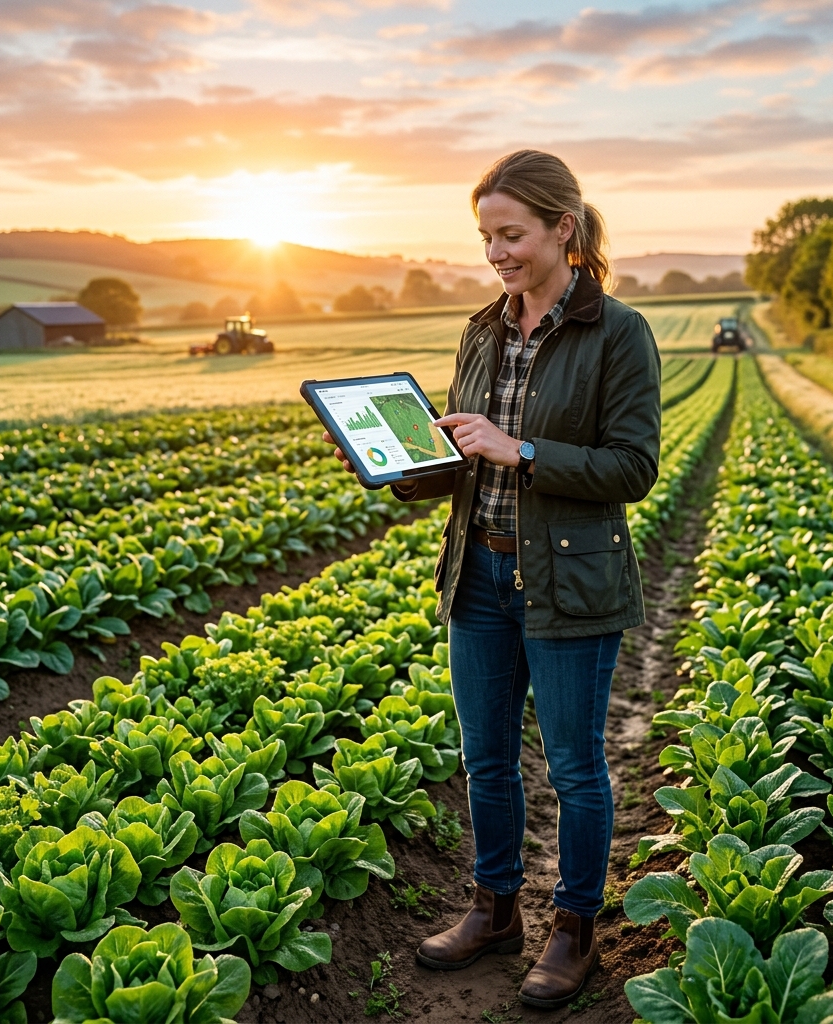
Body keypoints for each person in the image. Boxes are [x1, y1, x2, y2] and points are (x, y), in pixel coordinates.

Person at [324, 149, 661, 1009]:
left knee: (576, 769)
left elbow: (632, 467)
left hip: (570, 582)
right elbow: (460, 458)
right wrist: (395, 462)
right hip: (478, 570)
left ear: (564, 230)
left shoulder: (616, 331)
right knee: (485, 761)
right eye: (485, 237)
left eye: (511, 234)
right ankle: (494, 907)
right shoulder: (482, 329)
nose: (497, 253)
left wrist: (524, 451)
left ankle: (575, 928)